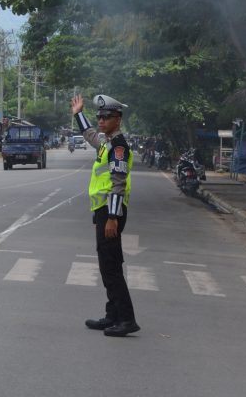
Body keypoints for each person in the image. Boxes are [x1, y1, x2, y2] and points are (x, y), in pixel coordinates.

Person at [71, 93, 140, 337]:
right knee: (108, 265)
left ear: (118, 119)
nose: (101, 121)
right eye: (99, 116)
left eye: (106, 116)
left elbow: (118, 183)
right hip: (103, 212)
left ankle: (127, 318)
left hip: (112, 213)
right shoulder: (107, 143)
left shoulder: (118, 147)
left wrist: (111, 217)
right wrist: (78, 113)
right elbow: (89, 135)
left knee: (110, 268)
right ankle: (113, 316)